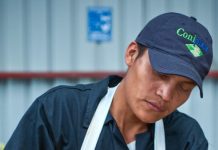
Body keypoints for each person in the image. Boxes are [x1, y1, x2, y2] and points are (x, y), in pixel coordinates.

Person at [5, 12, 213, 150]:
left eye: (184, 88)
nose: (166, 95)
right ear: (132, 54)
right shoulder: (59, 112)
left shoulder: (188, 139)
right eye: (161, 74)